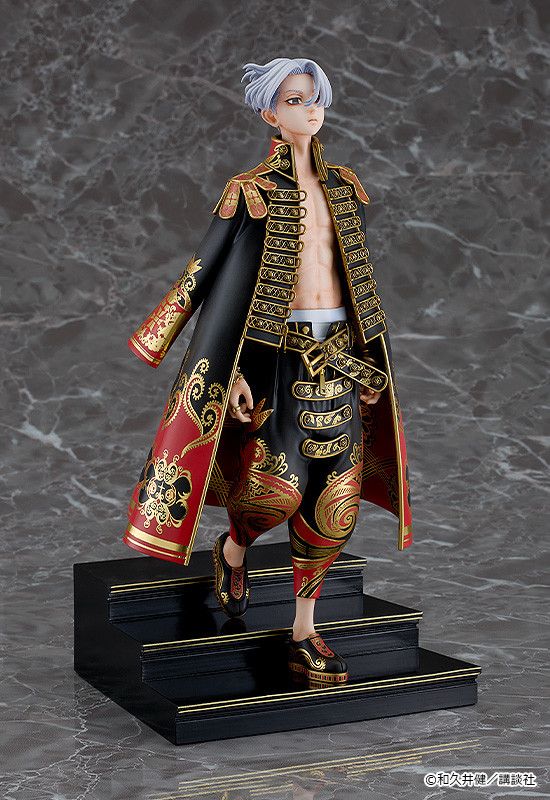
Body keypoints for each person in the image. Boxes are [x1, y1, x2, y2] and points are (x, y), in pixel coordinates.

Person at [123, 58, 413, 686]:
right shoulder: (249, 190)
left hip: (340, 357)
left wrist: (370, 358)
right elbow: (206, 274)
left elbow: (356, 279)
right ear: (269, 113)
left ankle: (304, 631)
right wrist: (215, 364)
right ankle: (234, 549)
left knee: (335, 500)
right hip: (274, 360)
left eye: (316, 98)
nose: (311, 109)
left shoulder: (346, 187)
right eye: (295, 100)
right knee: (273, 492)